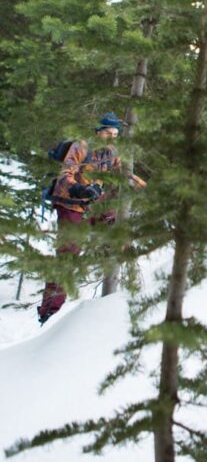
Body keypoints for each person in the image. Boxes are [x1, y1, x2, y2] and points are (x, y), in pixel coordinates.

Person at [37, 112, 145, 325]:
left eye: (115, 133)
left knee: (117, 228)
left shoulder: (113, 151)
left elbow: (123, 172)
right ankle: (50, 311)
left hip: (95, 202)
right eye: (108, 132)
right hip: (71, 203)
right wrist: (80, 188)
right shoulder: (82, 146)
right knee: (69, 254)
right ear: (98, 131)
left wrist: (140, 185)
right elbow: (66, 173)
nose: (112, 137)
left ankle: (125, 286)